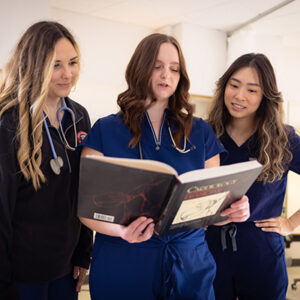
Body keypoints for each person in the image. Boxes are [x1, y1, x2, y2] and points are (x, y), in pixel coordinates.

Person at [79, 33, 250, 300]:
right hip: (124, 261)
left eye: (174, 69)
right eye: (157, 66)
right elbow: (86, 210)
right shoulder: (105, 130)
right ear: (140, 68)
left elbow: (214, 207)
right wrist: (122, 231)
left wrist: (234, 210)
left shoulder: (200, 132)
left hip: (189, 263)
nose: (166, 75)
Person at [0, 21, 93, 300]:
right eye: (55, 65)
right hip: (20, 276)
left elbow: (85, 192)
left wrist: (83, 254)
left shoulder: (78, 117)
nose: (68, 74)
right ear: (34, 65)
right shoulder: (9, 121)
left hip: (65, 272)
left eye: (73, 63)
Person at [205, 53, 300, 300]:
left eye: (252, 90)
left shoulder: (284, 138)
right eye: (234, 85)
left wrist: (291, 223)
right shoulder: (205, 134)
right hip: (210, 251)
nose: (239, 96)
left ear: (265, 96)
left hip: (262, 256)